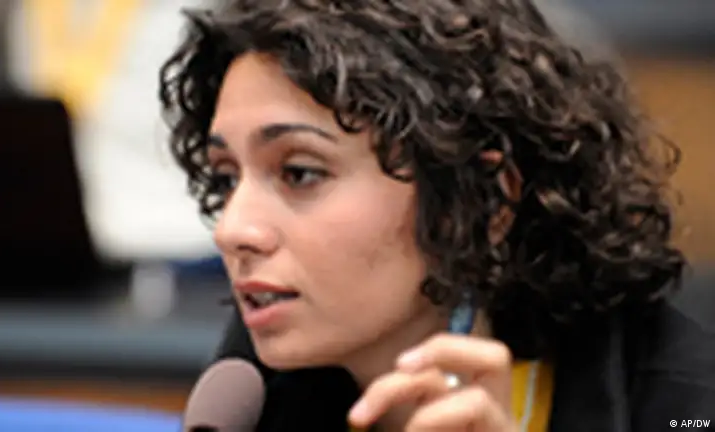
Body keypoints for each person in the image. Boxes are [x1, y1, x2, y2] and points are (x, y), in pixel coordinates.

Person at [159, 0, 715, 430]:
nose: (232, 229)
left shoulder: (684, 402)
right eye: (227, 178)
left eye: (300, 173)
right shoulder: (256, 388)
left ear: (484, 199)